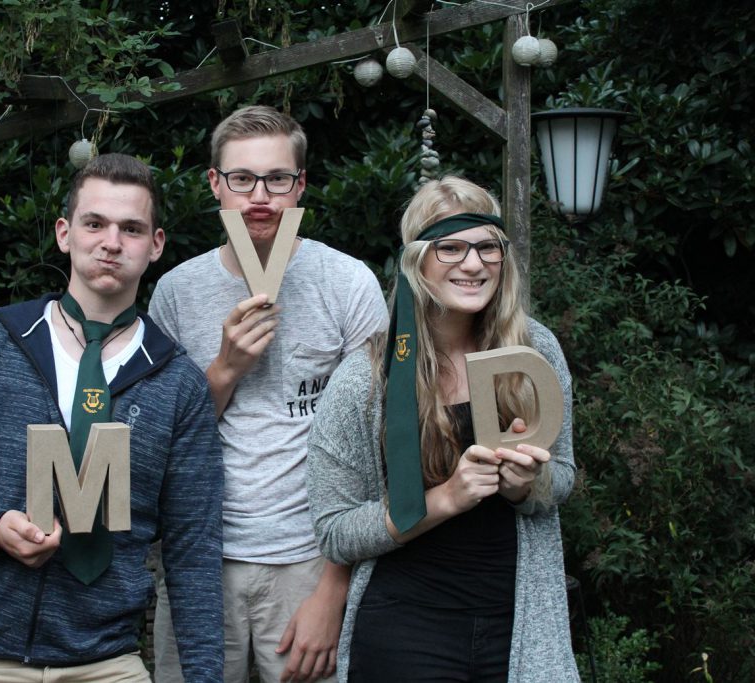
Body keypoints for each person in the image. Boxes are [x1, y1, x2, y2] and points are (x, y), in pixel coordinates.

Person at [0, 153, 224, 682]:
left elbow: (193, 547)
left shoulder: (177, 383)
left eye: (131, 228)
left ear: (155, 244)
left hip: (105, 661)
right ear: (65, 233)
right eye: (95, 223)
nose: (112, 241)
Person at [148, 105, 389, 683]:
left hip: (312, 559)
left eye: (278, 179)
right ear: (215, 184)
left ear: (299, 186)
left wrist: (335, 585)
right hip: (201, 558)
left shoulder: (348, 283)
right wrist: (225, 369)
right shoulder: (176, 292)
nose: (260, 195)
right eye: (242, 179)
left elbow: (379, 444)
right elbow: (159, 442)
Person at [306, 176, 579, 682]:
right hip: (407, 630)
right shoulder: (366, 379)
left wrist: (526, 488)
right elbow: (335, 532)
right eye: (450, 247)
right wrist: (446, 499)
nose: (473, 265)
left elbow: (562, 476)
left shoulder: (534, 353)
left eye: (487, 248)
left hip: (516, 627)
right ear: (416, 261)